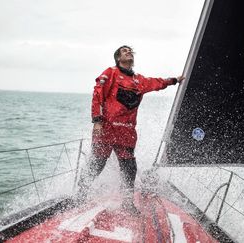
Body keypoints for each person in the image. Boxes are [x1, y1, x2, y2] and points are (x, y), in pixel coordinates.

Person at [77, 45, 184, 214]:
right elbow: (97, 93)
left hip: (126, 132)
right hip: (106, 128)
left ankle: (127, 202)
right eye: (124, 51)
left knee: (129, 167)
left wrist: (174, 80)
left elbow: (157, 82)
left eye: (130, 51)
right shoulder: (110, 73)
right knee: (97, 163)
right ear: (118, 58)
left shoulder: (139, 80)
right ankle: (80, 195)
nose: (129, 52)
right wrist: (97, 120)